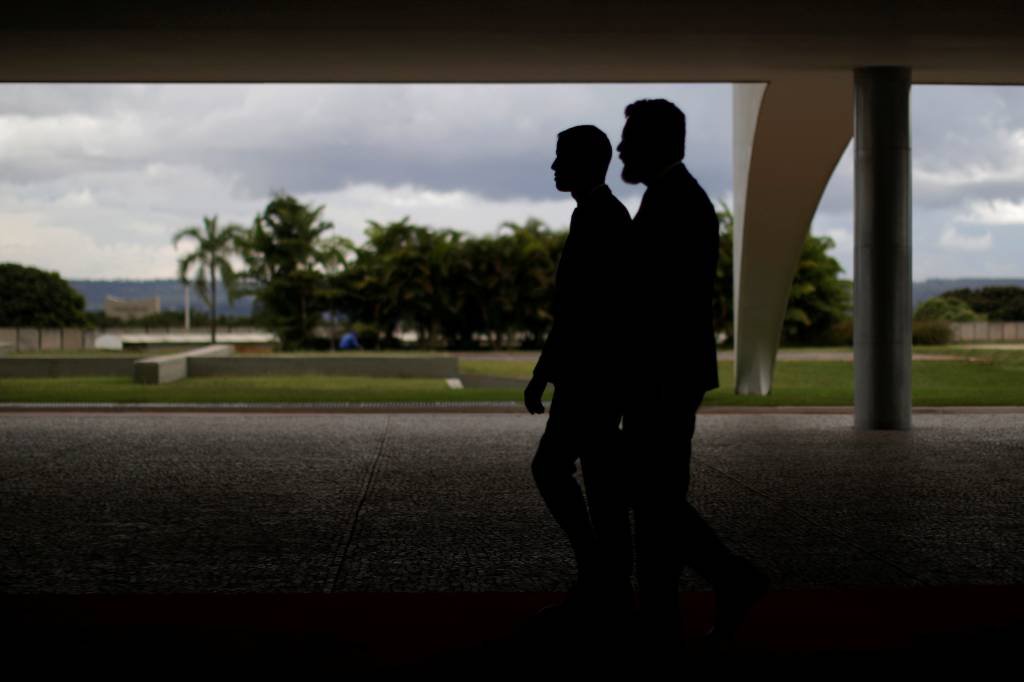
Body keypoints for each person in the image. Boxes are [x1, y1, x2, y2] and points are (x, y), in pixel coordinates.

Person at [615, 99, 768, 653]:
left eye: (629, 138)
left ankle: (728, 578)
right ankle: (664, 613)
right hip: (670, 371)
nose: (620, 148)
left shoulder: (673, 203)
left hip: (662, 373)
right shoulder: (677, 197)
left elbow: (656, 302)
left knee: (649, 495)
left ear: (659, 143)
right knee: (655, 495)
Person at [524, 124, 634, 627]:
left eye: (559, 158)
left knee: (553, 469)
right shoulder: (599, 214)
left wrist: (543, 373)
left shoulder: (599, 218)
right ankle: (607, 583)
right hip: (596, 376)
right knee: (601, 483)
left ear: (588, 162)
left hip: (590, 379)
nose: (552, 167)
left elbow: (578, 313)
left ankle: (599, 577)